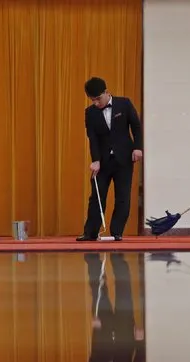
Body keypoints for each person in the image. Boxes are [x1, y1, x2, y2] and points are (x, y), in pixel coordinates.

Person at [77, 77, 142, 242]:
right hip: (103, 161)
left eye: (98, 99)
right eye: (93, 100)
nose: (96, 103)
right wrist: (96, 160)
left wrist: (137, 147)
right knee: (97, 197)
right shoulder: (90, 113)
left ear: (106, 92)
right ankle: (90, 232)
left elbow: (136, 126)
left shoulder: (124, 104)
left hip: (124, 159)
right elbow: (92, 137)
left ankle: (116, 232)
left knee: (123, 196)